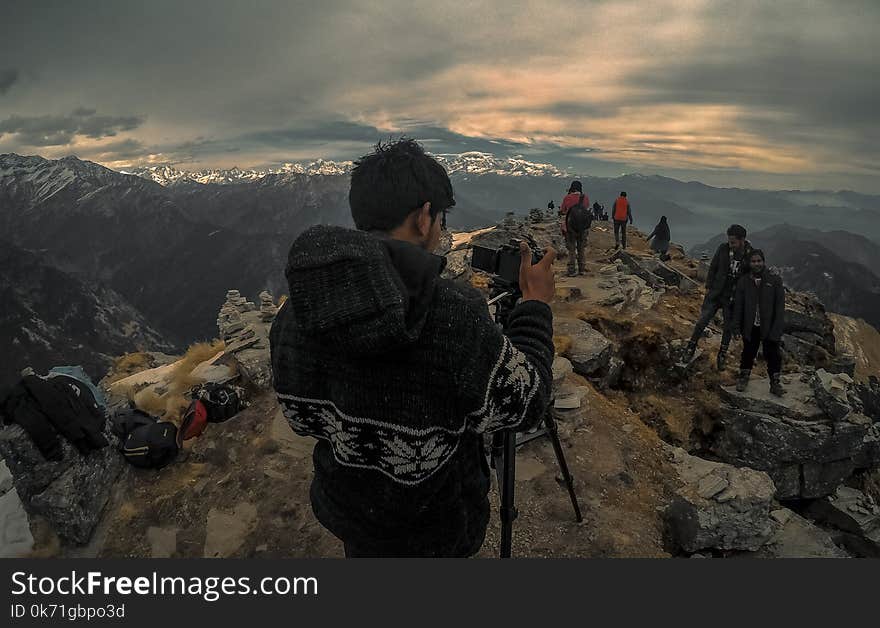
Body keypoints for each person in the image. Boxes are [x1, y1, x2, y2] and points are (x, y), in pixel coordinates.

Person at [269, 138, 556, 557]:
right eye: (440, 217)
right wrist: (533, 308)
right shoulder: (451, 313)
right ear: (424, 218)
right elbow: (525, 403)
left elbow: (301, 418)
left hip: (352, 516)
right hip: (436, 530)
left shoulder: (297, 311)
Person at [683, 224, 753, 369]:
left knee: (727, 327)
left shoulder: (750, 254)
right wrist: (708, 288)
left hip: (732, 298)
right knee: (702, 321)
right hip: (716, 293)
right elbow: (713, 267)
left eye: (733, 242)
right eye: (729, 241)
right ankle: (690, 347)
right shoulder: (723, 248)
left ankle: (722, 355)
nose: (730, 244)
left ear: (742, 240)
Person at [731, 250, 786, 396]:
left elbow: (780, 307)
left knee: (773, 354)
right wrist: (736, 327)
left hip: (769, 325)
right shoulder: (744, 281)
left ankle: (775, 383)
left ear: (764, 262)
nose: (756, 264)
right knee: (748, 352)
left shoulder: (774, 280)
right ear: (749, 263)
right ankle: (743, 378)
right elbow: (738, 306)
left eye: (759, 261)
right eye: (753, 261)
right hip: (751, 326)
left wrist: (777, 329)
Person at [559, 180, 591, 276]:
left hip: (570, 227)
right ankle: (582, 268)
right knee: (581, 248)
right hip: (582, 228)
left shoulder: (567, 198)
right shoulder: (585, 198)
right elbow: (587, 209)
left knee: (571, 249)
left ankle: (571, 270)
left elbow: (562, 210)